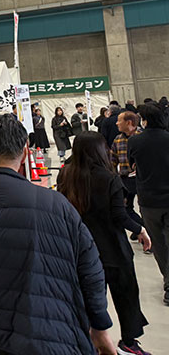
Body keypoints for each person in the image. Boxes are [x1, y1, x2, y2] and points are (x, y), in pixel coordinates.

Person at [0, 114, 116, 355]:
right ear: (25, 153)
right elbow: (90, 269)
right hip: (54, 331)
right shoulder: (58, 204)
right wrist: (99, 326)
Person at [58, 132, 152, 355]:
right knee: (126, 295)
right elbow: (119, 216)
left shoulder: (65, 175)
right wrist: (140, 229)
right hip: (113, 248)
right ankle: (128, 342)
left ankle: (88, 343)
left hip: (79, 248)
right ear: (100, 150)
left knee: (86, 299)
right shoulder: (109, 178)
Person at [127, 103, 169, 306]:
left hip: (149, 200)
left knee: (158, 244)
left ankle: (168, 283)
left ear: (144, 120)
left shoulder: (135, 141)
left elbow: (131, 165)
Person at [112, 110, 144, 232]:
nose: (116, 123)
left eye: (119, 121)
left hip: (142, 179)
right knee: (125, 208)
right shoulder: (118, 139)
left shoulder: (142, 137)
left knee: (145, 208)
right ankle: (142, 228)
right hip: (125, 179)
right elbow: (112, 160)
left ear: (129, 122)